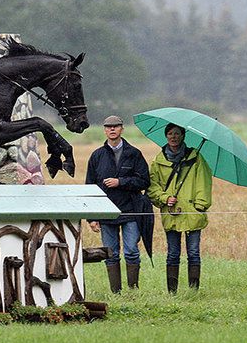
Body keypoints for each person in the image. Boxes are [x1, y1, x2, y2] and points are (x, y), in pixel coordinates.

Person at [85, 115, 150, 292]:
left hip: (130, 211)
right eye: (108, 127)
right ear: (104, 130)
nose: (112, 129)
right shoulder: (97, 155)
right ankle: (116, 292)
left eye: (116, 126)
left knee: (131, 250)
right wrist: (91, 217)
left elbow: (144, 182)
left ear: (122, 129)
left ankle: (132, 290)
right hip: (106, 213)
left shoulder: (134, 154)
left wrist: (120, 182)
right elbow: (89, 188)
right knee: (111, 254)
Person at [147, 123, 212, 293]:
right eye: (170, 133)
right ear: (166, 136)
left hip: (192, 213)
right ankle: (172, 292)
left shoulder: (196, 158)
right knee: (173, 253)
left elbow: (204, 184)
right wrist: (165, 198)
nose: (173, 137)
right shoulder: (158, 161)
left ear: (183, 136)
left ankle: (193, 290)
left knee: (193, 253)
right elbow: (152, 187)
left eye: (177, 133)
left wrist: (199, 207)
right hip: (171, 213)